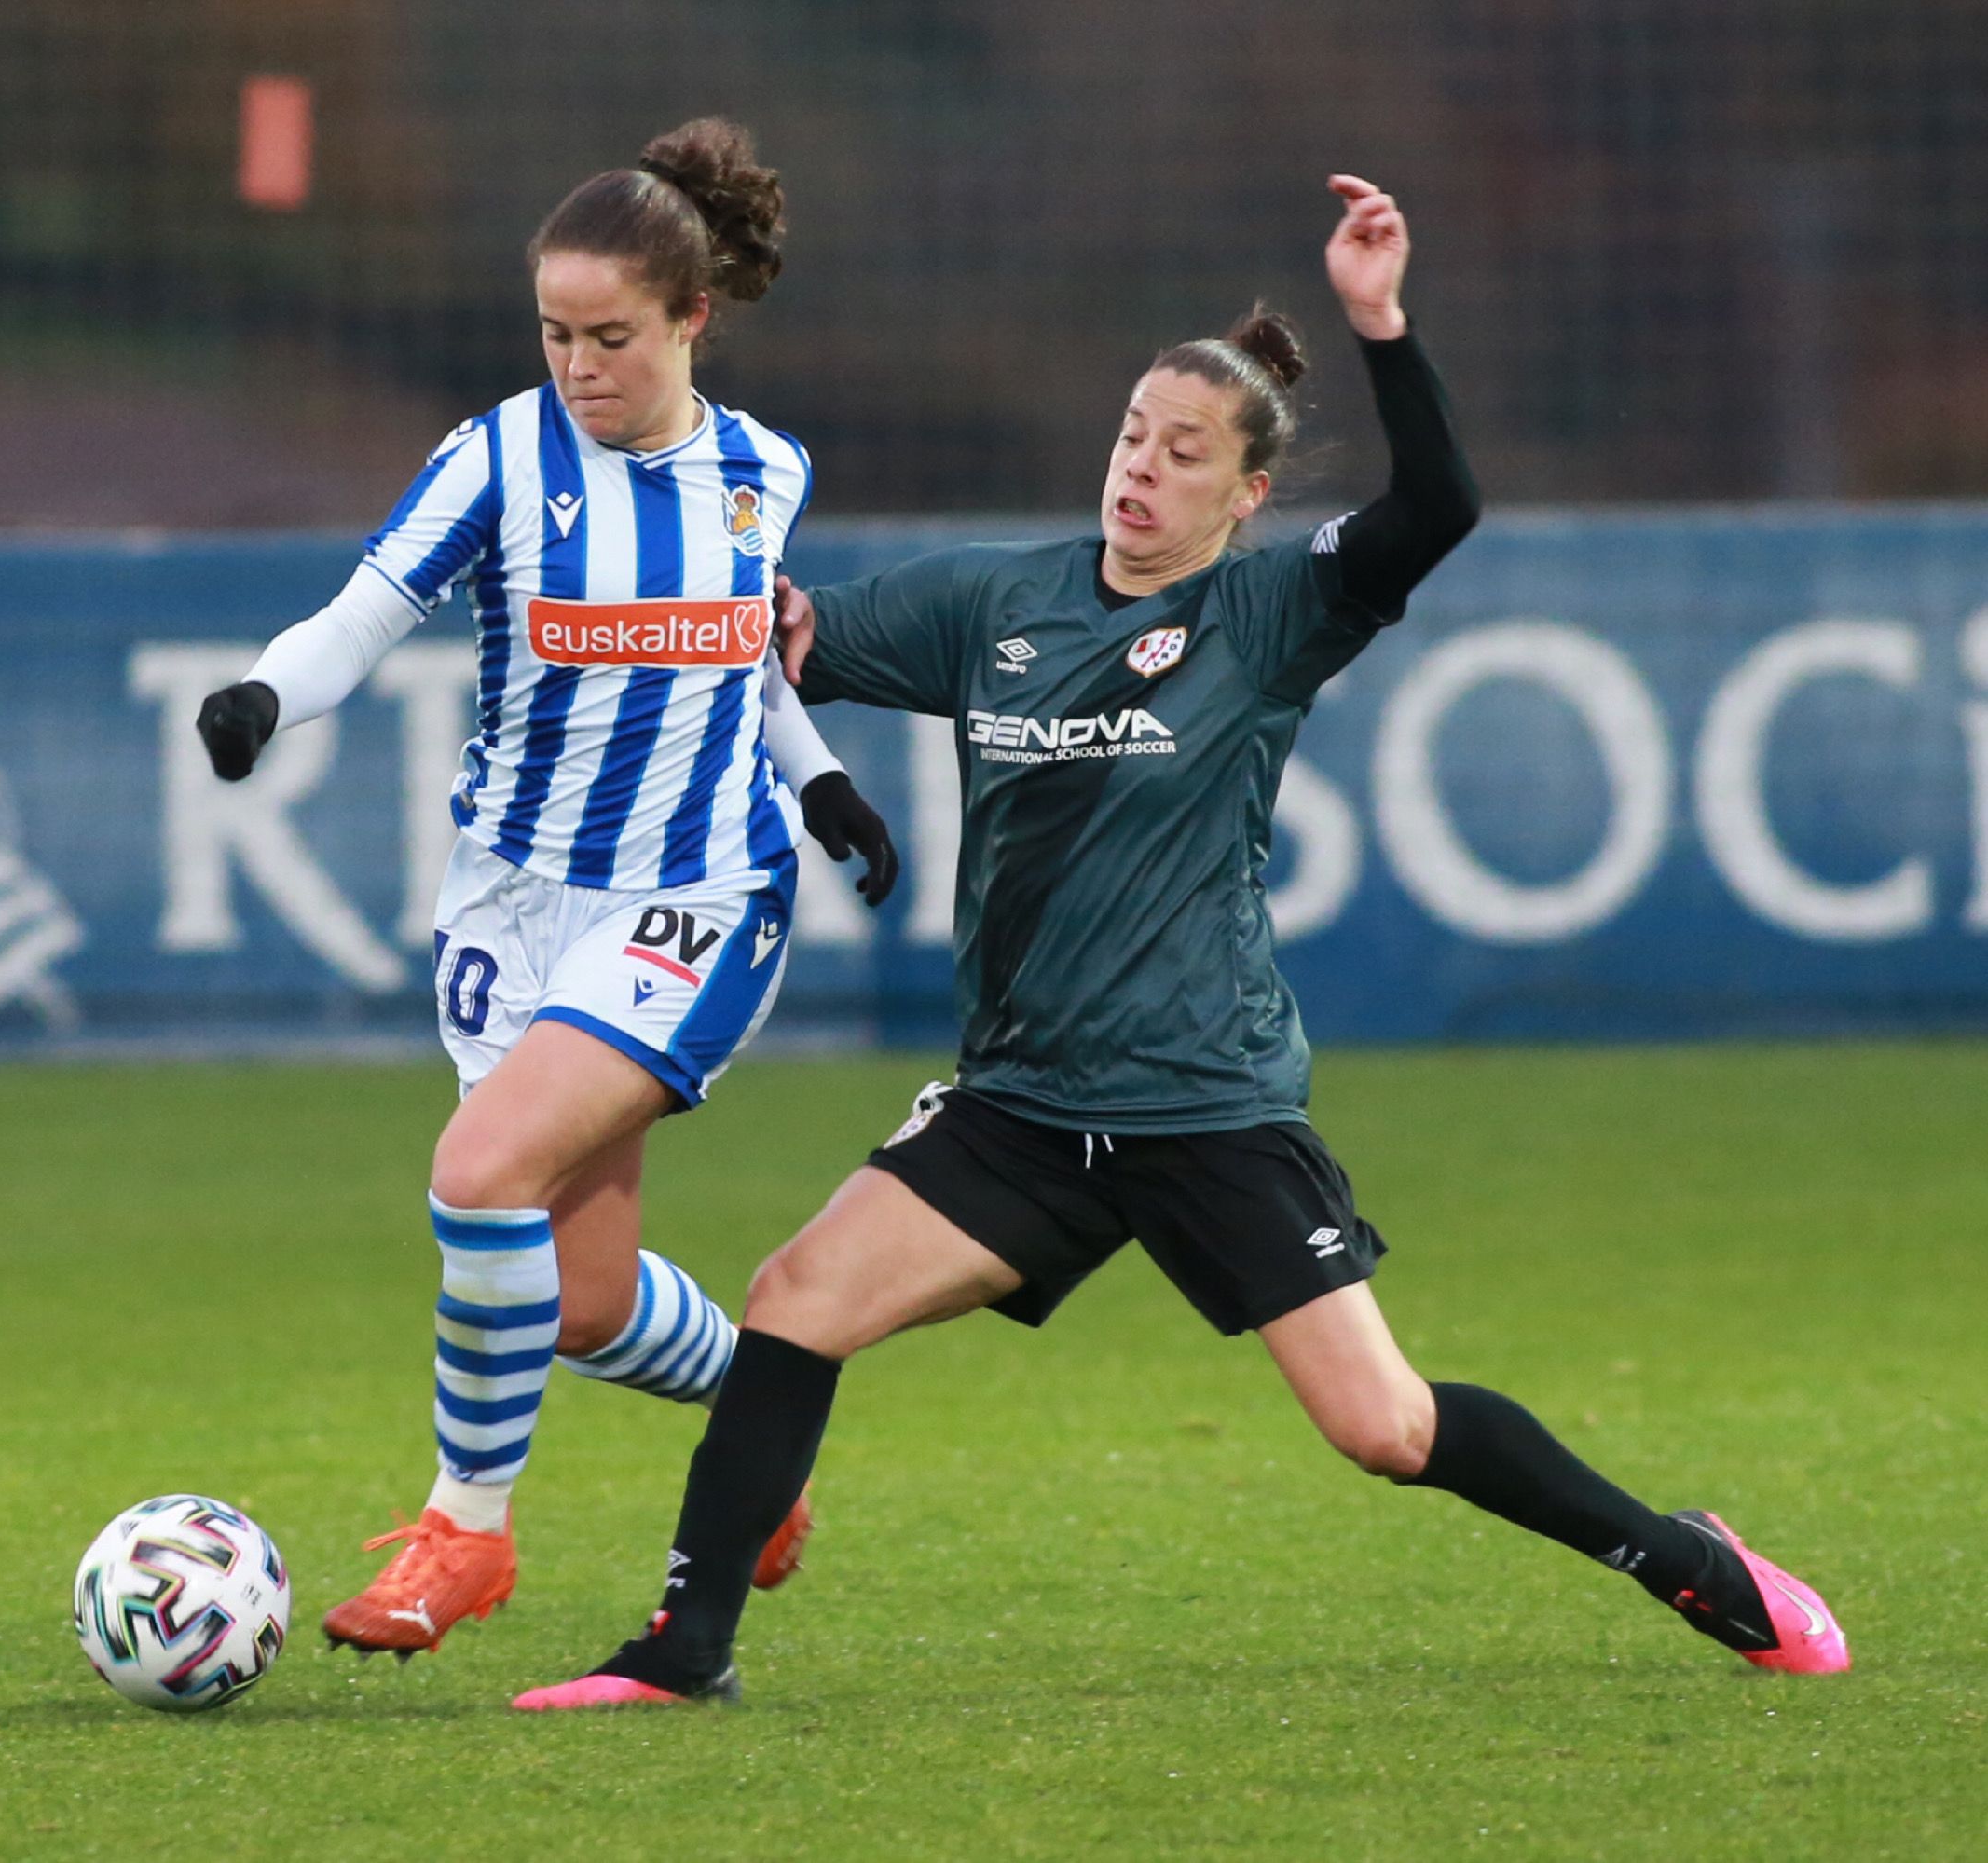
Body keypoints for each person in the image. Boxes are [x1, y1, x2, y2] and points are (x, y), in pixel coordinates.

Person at [514, 174, 1847, 1710]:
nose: (1143, 470)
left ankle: (1692, 1563)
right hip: (1021, 1109)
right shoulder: (994, 603)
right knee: (796, 1296)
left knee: (1387, 1430)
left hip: (1203, 1106)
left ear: (1243, 497)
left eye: (1184, 453)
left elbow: (1444, 511)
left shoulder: (1272, 612)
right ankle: (684, 1656)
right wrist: (647, 528)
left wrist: (1379, 324)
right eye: (1133, 437)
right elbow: (770, 632)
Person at [194, 119, 901, 1660]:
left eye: (612, 337)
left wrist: (818, 780)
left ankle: (467, 1535)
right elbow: (358, 619)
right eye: (555, 333)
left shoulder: (759, 472)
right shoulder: (498, 458)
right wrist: (262, 697)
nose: (578, 365)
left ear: (691, 319)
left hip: (697, 895)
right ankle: (755, 1449)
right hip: (513, 910)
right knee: (578, 1304)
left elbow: (740, 665)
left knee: (476, 1171)